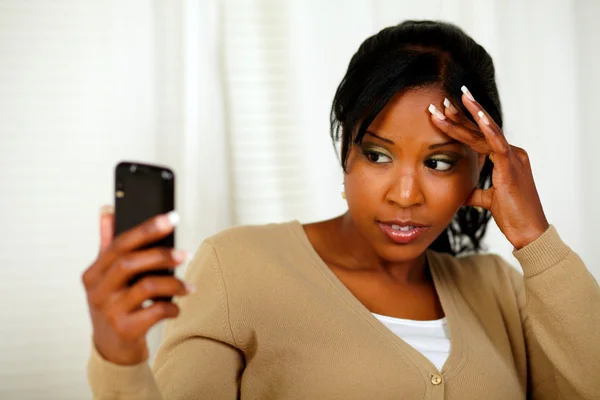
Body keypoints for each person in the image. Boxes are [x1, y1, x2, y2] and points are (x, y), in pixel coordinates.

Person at [82, 20, 600, 399]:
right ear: (345, 149)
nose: (404, 193)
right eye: (377, 154)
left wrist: (536, 239)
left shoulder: (500, 289)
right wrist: (120, 358)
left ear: (479, 172)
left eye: (439, 163)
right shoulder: (238, 268)